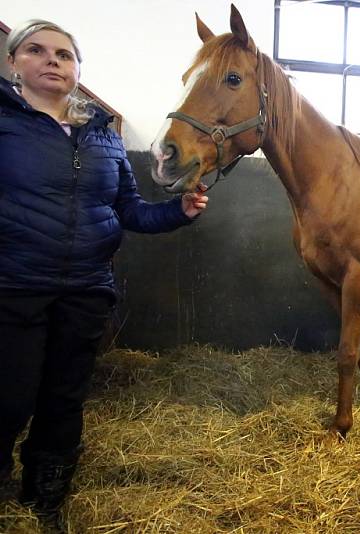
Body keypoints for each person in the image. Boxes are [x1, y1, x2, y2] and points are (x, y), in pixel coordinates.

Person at [0, 19, 208, 523]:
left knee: (66, 395)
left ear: (77, 70)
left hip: (86, 290)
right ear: (13, 64)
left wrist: (177, 212)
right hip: (15, 286)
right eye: (37, 51)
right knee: (9, 394)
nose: (53, 61)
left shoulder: (102, 136)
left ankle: (46, 486)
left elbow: (130, 209)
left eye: (65, 55)